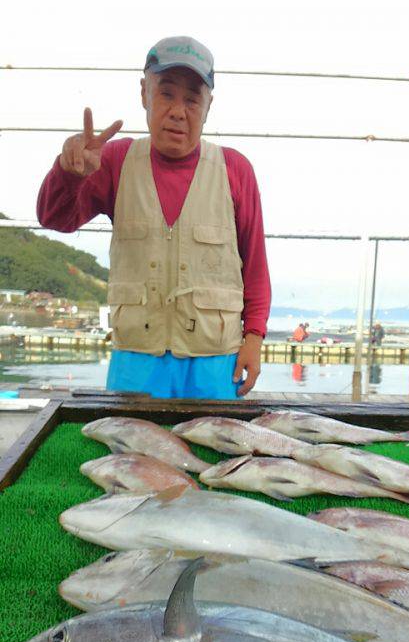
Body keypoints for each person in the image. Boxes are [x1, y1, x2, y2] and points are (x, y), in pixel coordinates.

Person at [37, 36, 271, 399]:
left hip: (215, 359)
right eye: (166, 93)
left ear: (209, 106)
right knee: (128, 455)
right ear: (144, 93)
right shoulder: (113, 160)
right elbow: (55, 217)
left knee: (218, 455)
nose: (179, 110)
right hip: (135, 358)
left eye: (193, 99)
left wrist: (254, 338)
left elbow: (254, 267)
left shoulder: (234, 169)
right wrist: (70, 173)